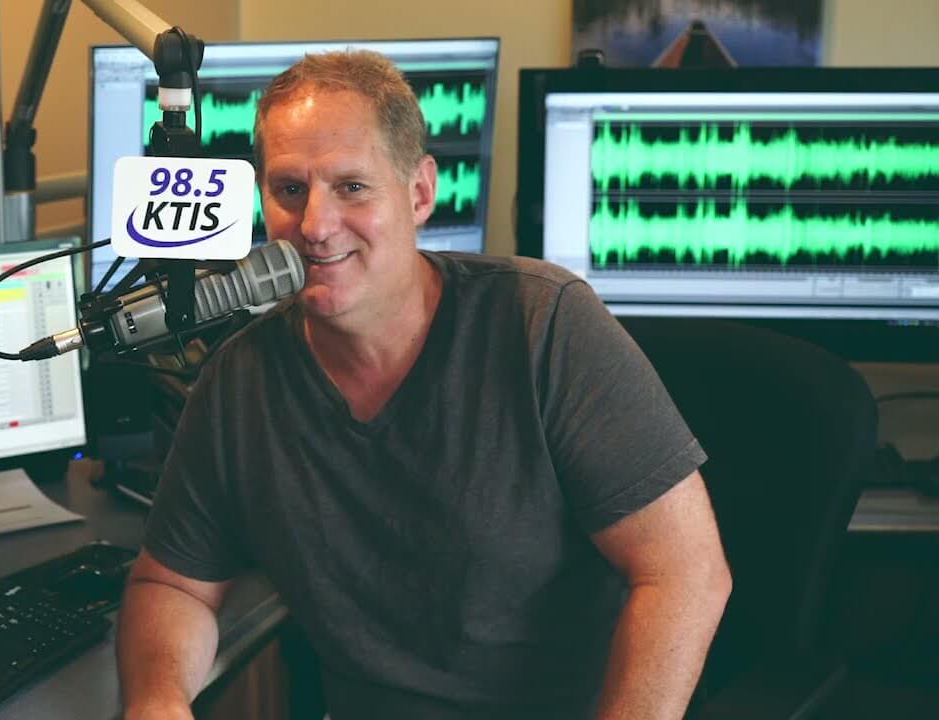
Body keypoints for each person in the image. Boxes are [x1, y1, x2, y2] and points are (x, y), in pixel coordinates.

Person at [116, 50, 732, 720]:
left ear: (419, 192)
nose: (315, 227)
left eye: (352, 187)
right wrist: (158, 700)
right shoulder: (242, 378)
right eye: (290, 189)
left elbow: (685, 574)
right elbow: (171, 585)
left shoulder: (540, 323)